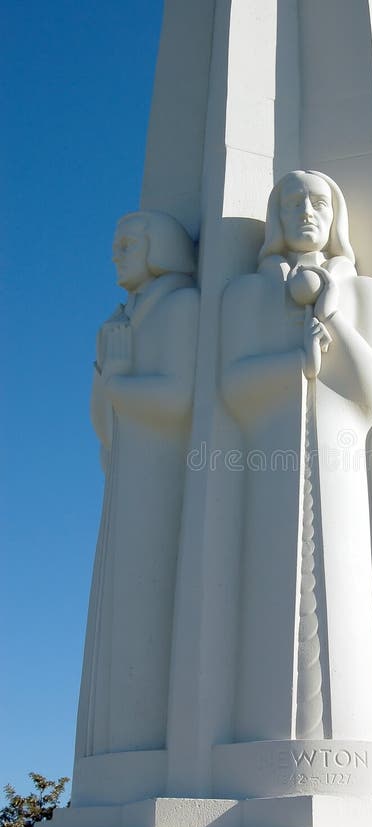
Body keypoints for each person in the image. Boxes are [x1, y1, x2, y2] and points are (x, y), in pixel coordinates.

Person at [220, 171, 372, 743]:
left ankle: (349, 738)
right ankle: (269, 733)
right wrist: (296, 362)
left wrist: (333, 313)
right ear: (274, 216)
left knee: (345, 589)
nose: (305, 211)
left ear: (336, 215)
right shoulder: (246, 293)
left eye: (318, 201)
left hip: (343, 461)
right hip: (267, 462)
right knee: (269, 593)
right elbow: (234, 385)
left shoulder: (364, 292)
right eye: (290, 202)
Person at [75, 210, 199, 761]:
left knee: (147, 593)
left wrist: (120, 379)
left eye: (128, 242)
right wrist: (109, 377)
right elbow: (106, 423)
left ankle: (142, 742)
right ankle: (117, 746)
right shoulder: (125, 317)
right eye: (117, 241)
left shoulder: (179, 305)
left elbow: (176, 399)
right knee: (121, 600)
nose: (115, 253)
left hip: (162, 474)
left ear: (159, 247)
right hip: (127, 471)